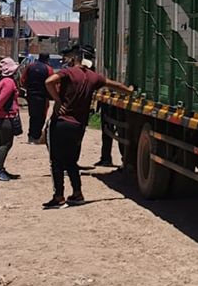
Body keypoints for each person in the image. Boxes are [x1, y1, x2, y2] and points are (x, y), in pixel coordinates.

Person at [44, 45, 132, 208]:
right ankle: (77, 193)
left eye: (69, 58)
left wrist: (57, 100)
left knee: (56, 161)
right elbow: (114, 85)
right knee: (71, 161)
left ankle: (59, 197)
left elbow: (49, 81)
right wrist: (129, 91)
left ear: (74, 59)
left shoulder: (68, 73)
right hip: (79, 125)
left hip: (62, 122)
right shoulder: (93, 77)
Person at [0, 57, 22, 182]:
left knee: (1, 142)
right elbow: (2, 99)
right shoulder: (9, 82)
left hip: (1, 117)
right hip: (5, 117)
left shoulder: (2, 80)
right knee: (6, 143)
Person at [22, 53, 52, 145]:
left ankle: (31, 136)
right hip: (43, 96)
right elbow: (51, 82)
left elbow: (23, 80)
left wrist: (27, 88)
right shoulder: (48, 69)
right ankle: (37, 135)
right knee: (41, 116)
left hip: (31, 95)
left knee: (33, 115)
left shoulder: (30, 67)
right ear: (47, 59)